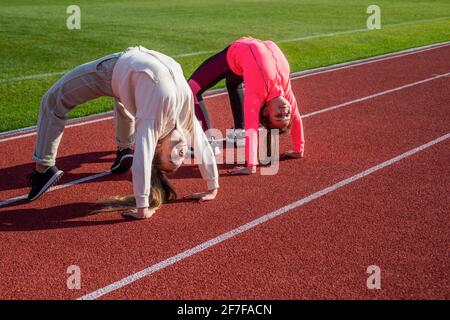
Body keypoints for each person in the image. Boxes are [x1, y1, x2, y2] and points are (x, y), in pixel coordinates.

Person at [27, 46, 219, 219]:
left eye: (172, 159)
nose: (182, 154)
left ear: (157, 147)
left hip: (111, 73)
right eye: (181, 159)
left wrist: (142, 206)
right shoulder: (183, 117)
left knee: (52, 101)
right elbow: (201, 142)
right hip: (133, 77)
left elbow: (142, 157)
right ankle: (124, 149)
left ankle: (43, 169)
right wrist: (212, 186)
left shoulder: (154, 120)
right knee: (126, 99)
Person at [188, 36, 305, 174]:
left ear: (266, 111)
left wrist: (251, 165)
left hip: (231, 59)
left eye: (279, 116)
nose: (284, 111)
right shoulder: (285, 91)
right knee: (233, 83)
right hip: (243, 61)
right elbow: (296, 117)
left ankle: (206, 143)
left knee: (191, 89)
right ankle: (238, 133)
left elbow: (252, 128)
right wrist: (299, 149)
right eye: (286, 115)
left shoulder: (257, 91)